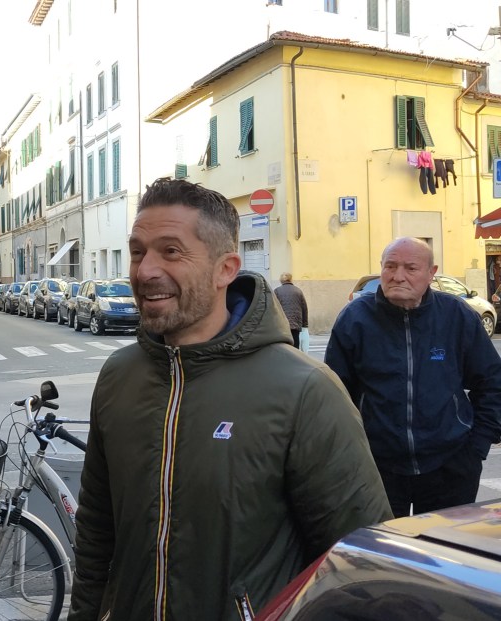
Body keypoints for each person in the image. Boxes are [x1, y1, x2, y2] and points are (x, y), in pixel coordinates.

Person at [69, 178, 391, 621]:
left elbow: (358, 567)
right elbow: (96, 530)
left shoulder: (304, 390)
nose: (144, 271)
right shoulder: (118, 376)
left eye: (171, 251)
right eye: (138, 252)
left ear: (225, 269)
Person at [325, 237, 501, 518]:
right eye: (390, 266)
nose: (398, 276)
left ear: (431, 273)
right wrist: (350, 455)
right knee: (380, 545)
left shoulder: (455, 316)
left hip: (450, 467)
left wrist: (476, 448)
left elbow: (492, 382)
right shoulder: (356, 319)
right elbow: (334, 395)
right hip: (376, 468)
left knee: (440, 545)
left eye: (411, 268)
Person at [274, 272, 308, 348]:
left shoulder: (277, 291)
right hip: (296, 324)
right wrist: (305, 324)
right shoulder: (298, 291)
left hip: (282, 324)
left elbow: (273, 307)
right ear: (291, 279)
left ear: (281, 280)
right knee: (295, 345)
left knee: (284, 346)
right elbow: (304, 308)